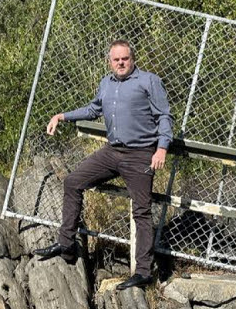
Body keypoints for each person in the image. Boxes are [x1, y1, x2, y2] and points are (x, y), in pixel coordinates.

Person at [34, 39, 173, 290]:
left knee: (141, 211)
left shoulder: (149, 81)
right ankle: (66, 243)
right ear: (110, 62)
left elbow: (164, 115)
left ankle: (143, 272)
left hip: (140, 154)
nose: (121, 63)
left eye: (125, 58)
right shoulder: (106, 83)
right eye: (116, 59)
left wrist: (162, 147)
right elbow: (93, 109)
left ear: (133, 59)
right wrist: (61, 116)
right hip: (112, 152)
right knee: (73, 182)